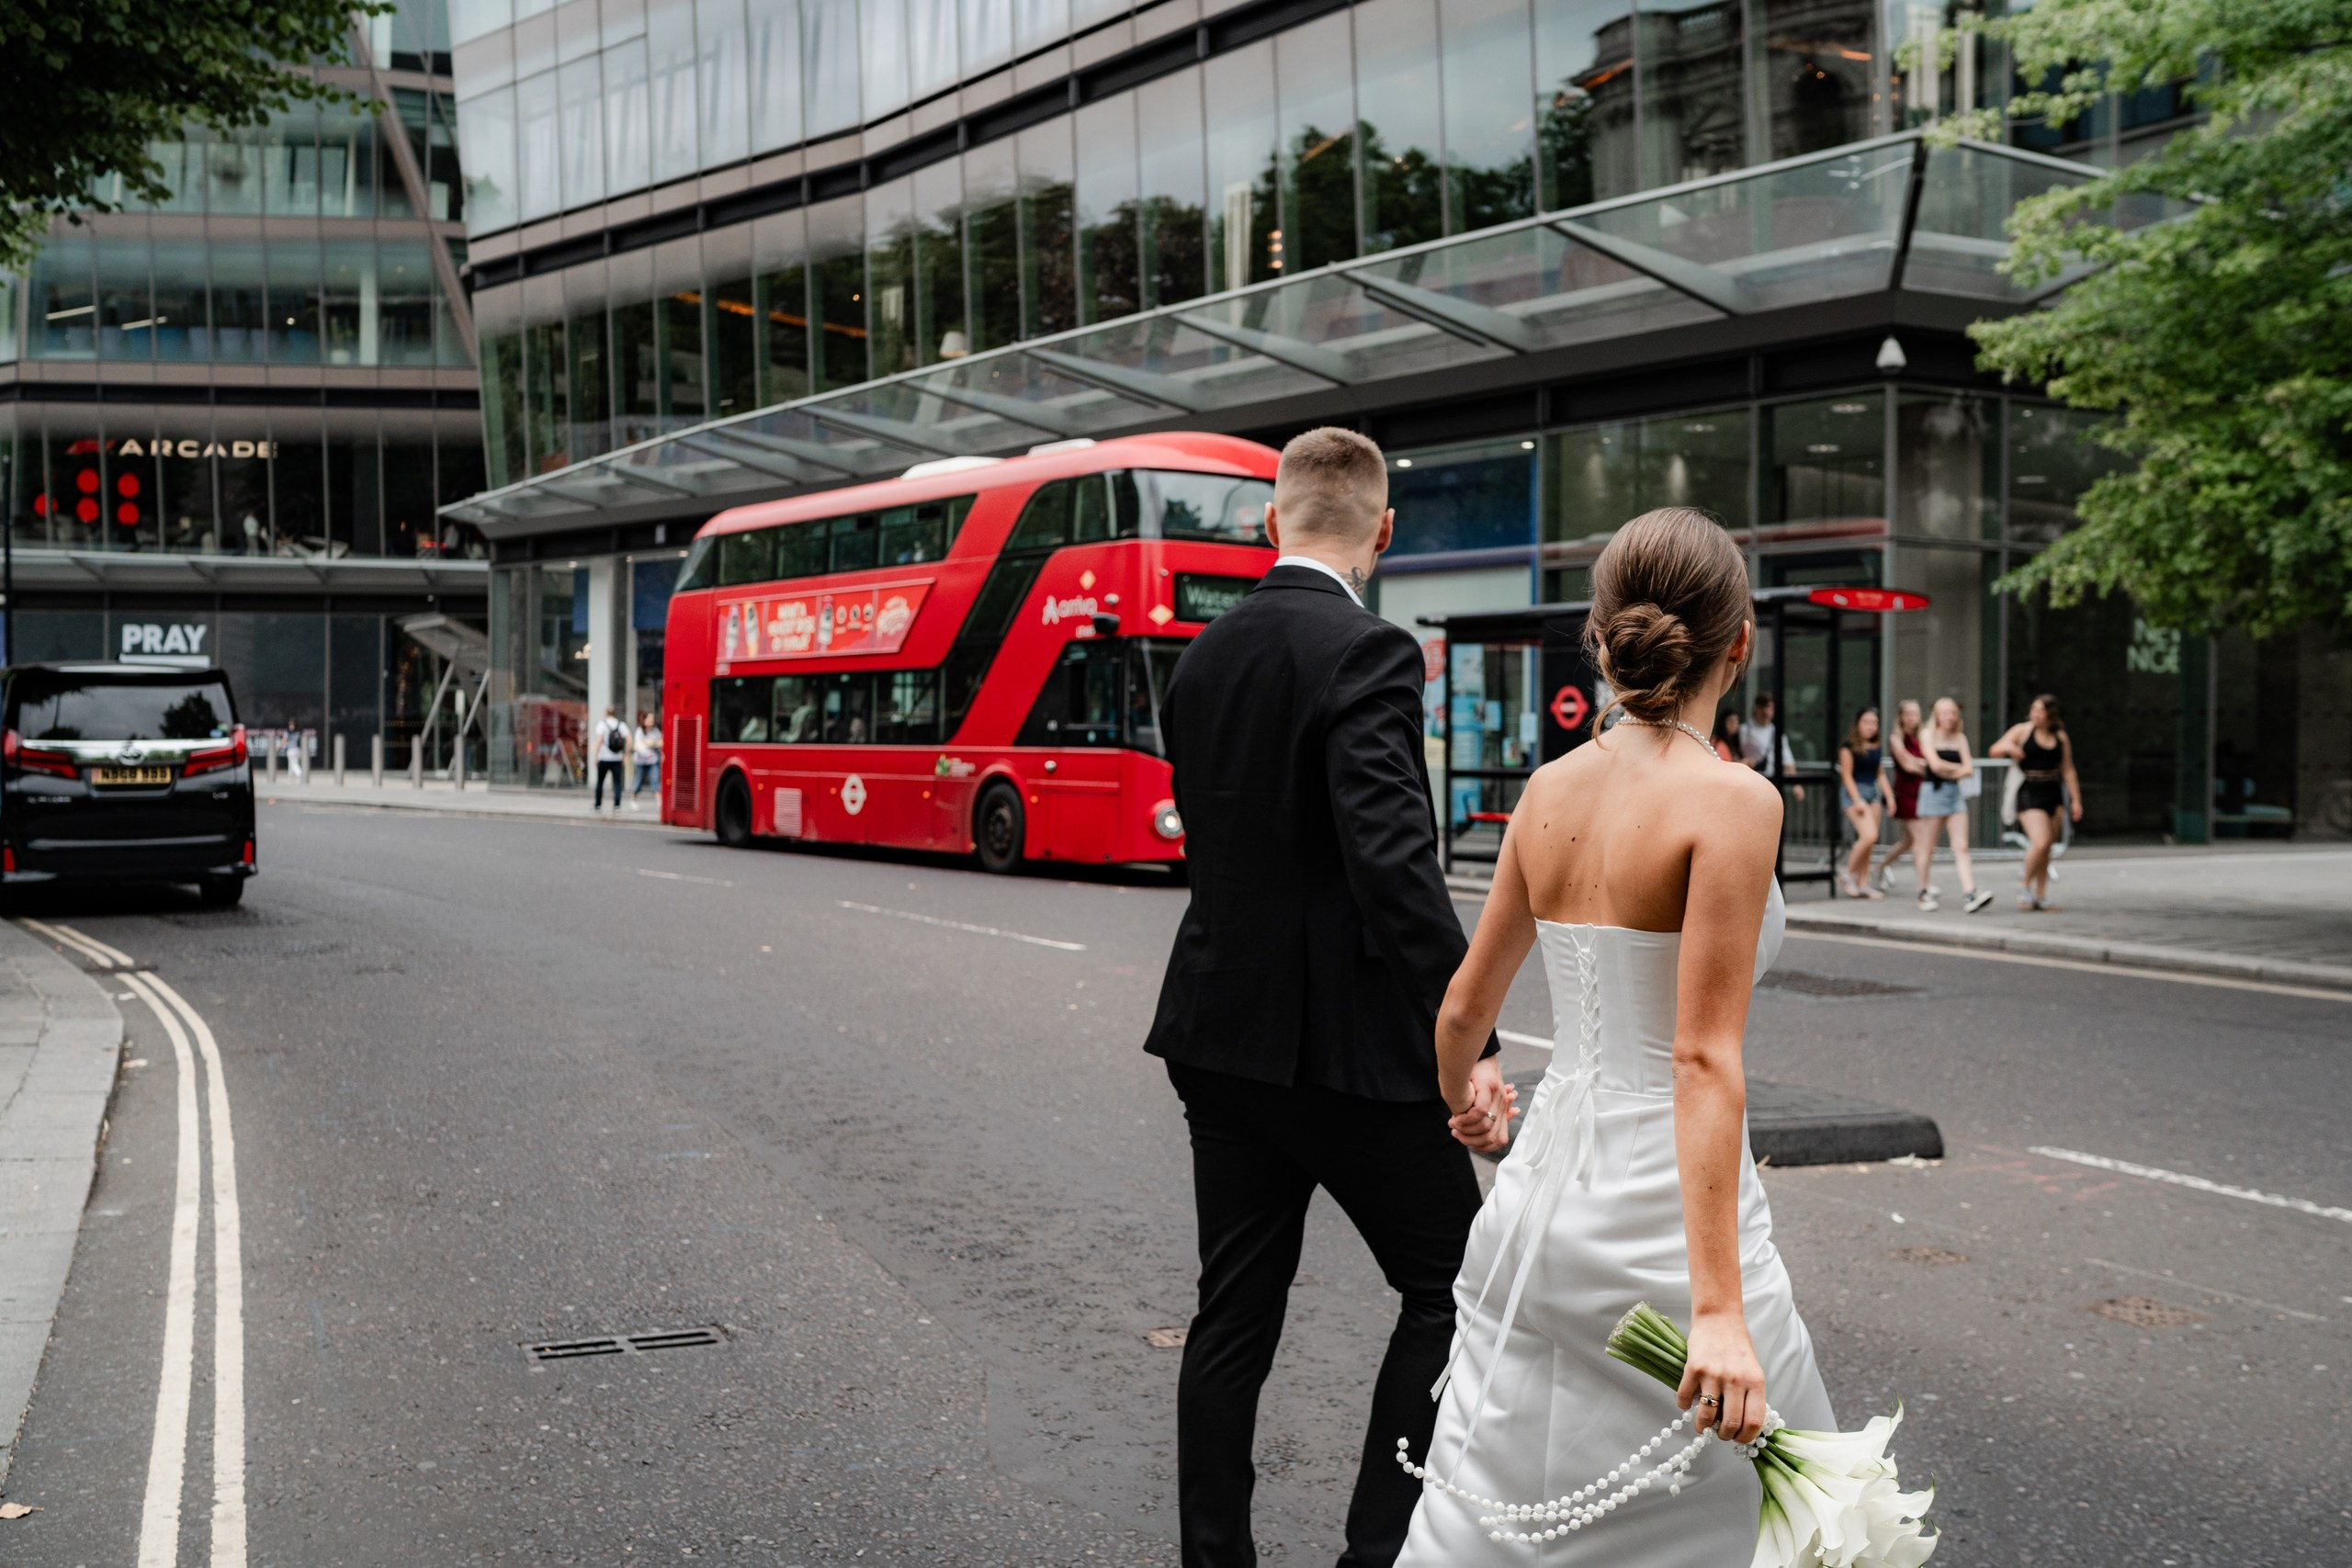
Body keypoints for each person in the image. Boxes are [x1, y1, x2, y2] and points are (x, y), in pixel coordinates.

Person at [1396, 508, 1835, 1566]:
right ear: (1739, 644)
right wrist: (1717, 1310)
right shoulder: (1733, 802)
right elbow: (1699, 1057)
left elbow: (1462, 1008)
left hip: (1543, 1195)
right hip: (1661, 1212)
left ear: (1599, 639)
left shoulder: (1547, 790)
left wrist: (1469, 1096)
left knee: (1508, 1478)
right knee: (1759, 1505)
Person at [1145, 427, 1515, 1568]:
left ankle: (1216, 1559)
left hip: (1219, 1037)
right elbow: (1394, 866)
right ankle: (1374, 1553)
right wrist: (1472, 1044)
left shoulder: (1200, 660)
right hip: (1349, 1058)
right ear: (1382, 531)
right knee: (1453, 1289)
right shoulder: (1369, 653)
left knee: (1233, 1315)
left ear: (1271, 525)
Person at [1989, 693, 2081, 909]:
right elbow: (1994, 750)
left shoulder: (2060, 737)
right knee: (2040, 841)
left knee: (2047, 846)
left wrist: (2076, 800)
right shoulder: (2022, 730)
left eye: (2040, 710)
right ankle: (2024, 885)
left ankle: (2040, 894)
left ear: (2050, 714)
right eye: (2033, 710)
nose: (2035, 714)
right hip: (2029, 789)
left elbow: (2067, 769)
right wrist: (2010, 748)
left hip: (2052, 790)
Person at [1917, 696, 1992, 913]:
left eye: (1953, 713)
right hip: (1933, 792)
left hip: (1953, 793)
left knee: (1961, 846)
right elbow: (1935, 765)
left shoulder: (1960, 738)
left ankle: (1970, 894)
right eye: (1945, 713)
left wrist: (1951, 769)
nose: (1950, 717)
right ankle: (1923, 892)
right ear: (1937, 715)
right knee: (1927, 847)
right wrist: (1957, 768)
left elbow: (1968, 769)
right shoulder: (1927, 734)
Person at [1871, 698, 1932, 898]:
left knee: (1908, 841)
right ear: (1901, 716)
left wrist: (1920, 762)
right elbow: (1908, 765)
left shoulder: (1923, 736)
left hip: (1923, 792)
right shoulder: (1896, 737)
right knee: (1921, 841)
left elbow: (1924, 762)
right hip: (1907, 793)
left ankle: (1880, 867)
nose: (1912, 717)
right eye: (1908, 713)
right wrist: (1925, 764)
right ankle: (1923, 885)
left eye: (1916, 713)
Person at [1836, 706, 1886, 899]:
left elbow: (1879, 774)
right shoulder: (1848, 746)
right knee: (1869, 836)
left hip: (1873, 793)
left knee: (1870, 843)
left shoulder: (1876, 746)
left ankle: (1863, 882)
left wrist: (1889, 797)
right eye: (1866, 722)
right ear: (1858, 724)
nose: (1871, 726)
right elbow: (1846, 776)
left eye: (1874, 723)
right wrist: (1857, 799)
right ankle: (1848, 874)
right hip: (1855, 792)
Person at [1736, 694, 1803, 800]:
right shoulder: (1743, 730)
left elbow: (1787, 761)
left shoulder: (1777, 733)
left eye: (1769, 708)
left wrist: (1796, 784)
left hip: (1773, 785)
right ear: (1756, 708)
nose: (1766, 712)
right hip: (1751, 784)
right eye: (1763, 707)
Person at [591, 705, 630, 810]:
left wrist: (595, 756)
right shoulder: (621, 724)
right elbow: (629, 740)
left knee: (600, 782)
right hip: (617, 758)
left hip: (604, 758)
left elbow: (599, 741)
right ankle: (617, 806)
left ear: (606, 713)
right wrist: (625, 755)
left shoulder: (602, 724)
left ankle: (598, 804)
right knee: (617, 782)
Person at [628, 710, 662, 809]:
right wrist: (651, 745)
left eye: (653, 719)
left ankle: (659, 801)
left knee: (655, 780)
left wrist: (649, 743)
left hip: (653, 761)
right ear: (644, 720)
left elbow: (660, 743)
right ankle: (633, 799)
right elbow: (639, 745)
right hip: (640, 761)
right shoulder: (639, 731)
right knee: (638, 781)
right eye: (649, 719)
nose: (652, 721)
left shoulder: (656, 731)